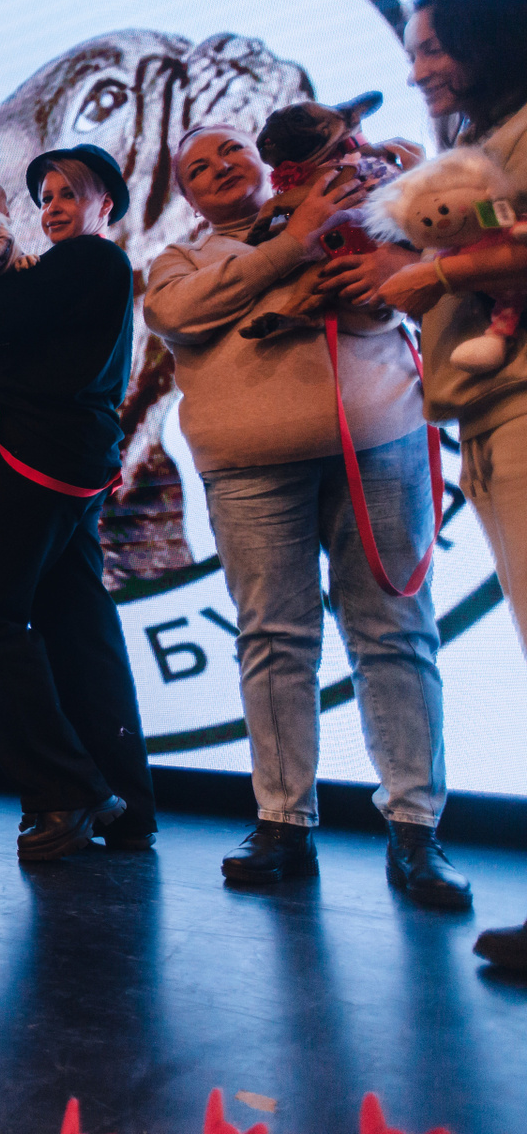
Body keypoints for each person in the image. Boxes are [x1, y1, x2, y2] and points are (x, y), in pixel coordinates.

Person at [145, 124, 466, 906]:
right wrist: (296, 240)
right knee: (273, 640)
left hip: (381, 448)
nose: (220, 166)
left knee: (396, 633)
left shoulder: (363, 211)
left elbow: (410, 279)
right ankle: (282, 822)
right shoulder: (180, 261)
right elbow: (176, 314)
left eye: (231, 150)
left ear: (269, 162)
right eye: (198, 167)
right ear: (189, 198)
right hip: (249, 472)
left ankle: (417, 829)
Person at [362, 0, 527, 962]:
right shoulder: (481, 146)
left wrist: (429, 272)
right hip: (492, 417)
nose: (417, 68)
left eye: (432, 47)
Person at [0, 144, 157, 861]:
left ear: (105, 204)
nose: (53, 207)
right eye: (46, 197)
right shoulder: (90, 270)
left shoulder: (84, 259)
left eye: (68, 194)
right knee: (76, 624)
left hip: (37, 459)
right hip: (70, 464)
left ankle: (67, 790)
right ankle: (126, 802)